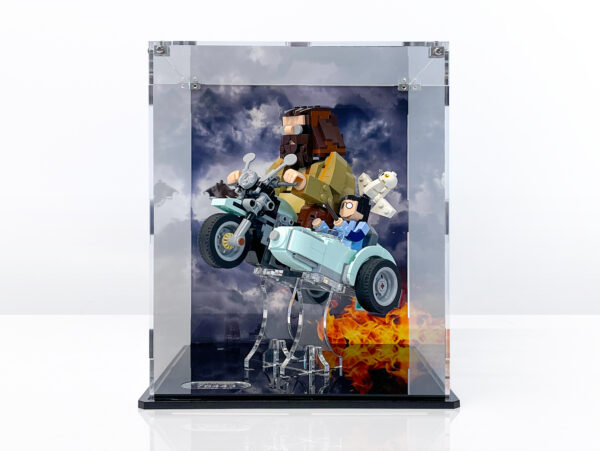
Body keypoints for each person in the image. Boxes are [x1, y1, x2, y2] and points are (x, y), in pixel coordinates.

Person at [226, 106, 355, 227]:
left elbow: (328, 198)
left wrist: (303, 183)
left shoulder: (335, 163)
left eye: (297, 130)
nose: (290, 138)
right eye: (285, 130)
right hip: (280, 214)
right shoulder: (285, 162)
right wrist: (248, 182)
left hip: (310, 221)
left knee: (311, 212)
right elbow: (269, 187)